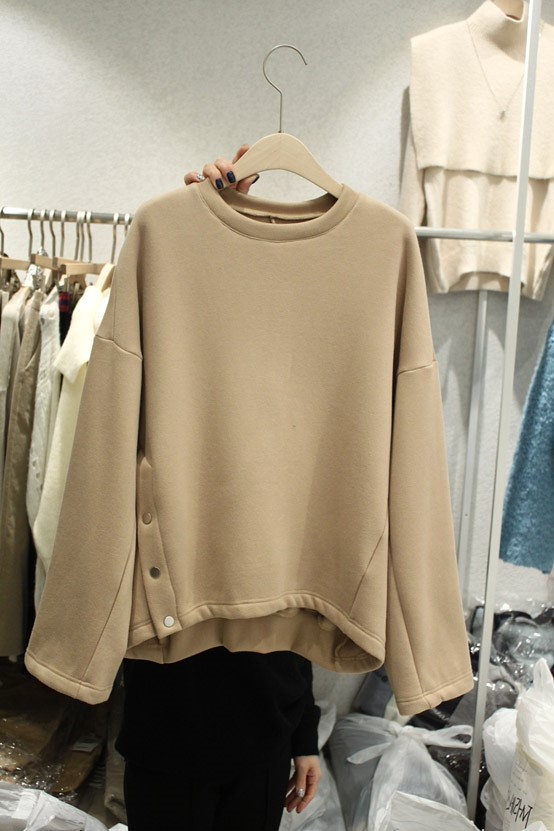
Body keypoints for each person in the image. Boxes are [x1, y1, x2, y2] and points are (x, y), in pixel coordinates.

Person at [115, 146, 322, 831]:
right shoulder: (177, 348)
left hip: (265, 729)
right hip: (169, 717)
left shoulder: (302, 385)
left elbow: (301, 582)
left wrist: (303, 732)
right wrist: (192, 234)